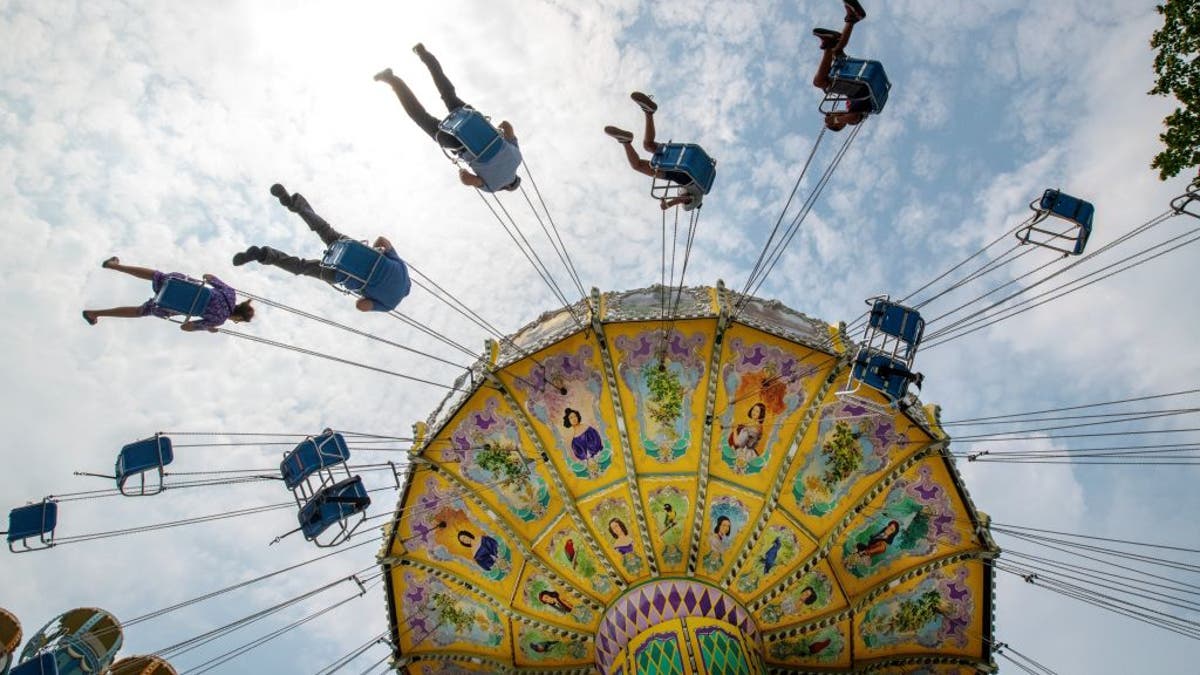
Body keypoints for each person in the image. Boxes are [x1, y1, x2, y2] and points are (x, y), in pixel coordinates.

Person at [233, 184, 411, 312]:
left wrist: (371, 256)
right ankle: (262, 255)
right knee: (302, 267)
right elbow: (361, 306)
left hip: (351, 249)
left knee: (324, 229)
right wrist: (366, 294)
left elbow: (382, 240)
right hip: (340, 274)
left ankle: (293, 202)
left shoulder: (403, 269)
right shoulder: (389, 305)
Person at [375, 44, 522, 192]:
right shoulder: (492, 187)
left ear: (516, 178)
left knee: (448, 93)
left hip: (476, 123)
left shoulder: (517, 158)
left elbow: (506, 125)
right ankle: (390, 79)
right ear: (507, 187)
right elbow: (468, 179)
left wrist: (499, 132)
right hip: (460, 144)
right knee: (420, 116)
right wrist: (462, 173)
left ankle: (423, 53)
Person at [82, 257, 254, 331]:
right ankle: (95, 313)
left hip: (177, 285)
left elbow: (208, 277)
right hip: (165, 306)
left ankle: (114, 266)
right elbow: (186, 327)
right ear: (238, 318)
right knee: (140, 311)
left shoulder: (230, 294)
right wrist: (208, 326)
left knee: (157, 276)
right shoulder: (218, 321)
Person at [604, 92, 706, 211]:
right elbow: (683, 200)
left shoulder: (700, 180)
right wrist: (667, 205)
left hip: (680, 159)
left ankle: (648, 112)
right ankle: (626, 142)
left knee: (648, 145)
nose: (682, 197)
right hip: (680, 175)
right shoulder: (694, 199)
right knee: (637, 165)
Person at [811, 0, 870, 131]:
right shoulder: (853, 119)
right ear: (839, 125)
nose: (832, 115)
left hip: (855, 85)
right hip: (860, 90)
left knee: (836, 52)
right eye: (834, 120)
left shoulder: (848, 106)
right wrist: (838, 119)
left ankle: (852, 19)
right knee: (819, 82)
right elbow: (854, 117)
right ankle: (829, 43)